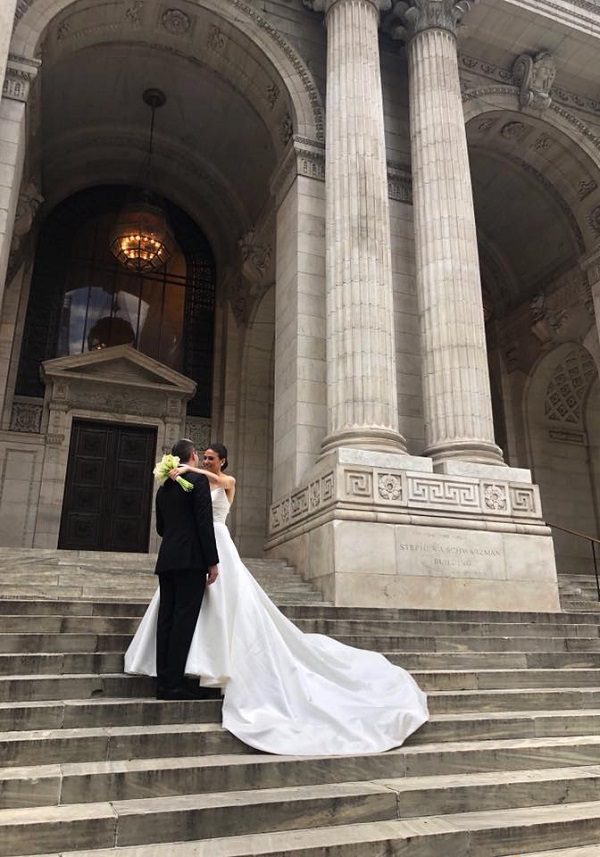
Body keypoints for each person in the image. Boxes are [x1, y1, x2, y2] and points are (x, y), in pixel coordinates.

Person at [125, 444, 428, 754]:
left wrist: (189, 471)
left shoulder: (217, 481)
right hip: (194, 553)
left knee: (211, 609)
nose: (206, 461)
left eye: (211, 458)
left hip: (209, 551)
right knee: (189, 614)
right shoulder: (186, 484)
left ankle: (183, 675)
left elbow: (198, 505)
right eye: (202, 457)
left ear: (223, 460)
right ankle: (183, 674)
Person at [150, 438, 219, 701]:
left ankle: (164, 681)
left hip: (167, 560)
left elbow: (160, 528)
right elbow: (204, 524)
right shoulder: (198, 482)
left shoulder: (163, 488)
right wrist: (212, 561)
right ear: (192, 456)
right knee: (183, 621)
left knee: (166, 620)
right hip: (190, 560)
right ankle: (174, 683)